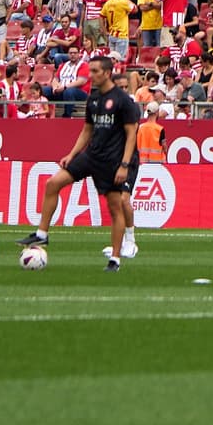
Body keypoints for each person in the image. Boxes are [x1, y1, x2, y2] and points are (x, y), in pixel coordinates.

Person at [53, 58, 144, 271]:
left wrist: (124, 163)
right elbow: (90, 129)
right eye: (119, 86)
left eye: (125, 86)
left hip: (127, 158)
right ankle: (119, 245)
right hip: (108, 158)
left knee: (123, 199)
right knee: (117, 202)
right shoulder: (100, 100)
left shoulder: (127, 105)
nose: (122, 89)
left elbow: (131, 133)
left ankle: (130, 240)